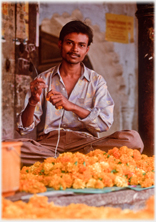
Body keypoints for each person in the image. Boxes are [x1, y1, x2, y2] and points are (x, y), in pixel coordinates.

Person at [16, 20, 144, 166]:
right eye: (70, 43)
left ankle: (60, 163)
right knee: (6, 149)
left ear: (86, 50)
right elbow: (23, 129)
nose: (75, 49)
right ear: (60, 44)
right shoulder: (43, 79)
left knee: (132, 140)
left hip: (86, 145)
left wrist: (71, 106)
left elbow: (104, 123)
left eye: (81, 45)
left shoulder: (96, 81)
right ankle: (74, 163)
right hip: (49, 145)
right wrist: (32, 102)